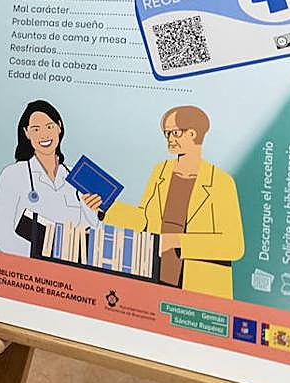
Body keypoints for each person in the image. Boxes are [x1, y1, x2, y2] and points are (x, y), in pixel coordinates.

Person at [103, 106, 243, 296]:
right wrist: (105, 208)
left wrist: (177, 241)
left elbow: (233, 245)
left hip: (200, 288)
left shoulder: (220, 182)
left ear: (193, 133)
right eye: (166, 133)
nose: (169, 139)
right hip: (155, 278)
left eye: (175, 132)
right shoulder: (161, 170)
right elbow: (144, 220)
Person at [0, 100, 102, 256]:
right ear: (26, 133)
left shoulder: (77, 177)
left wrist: (92, 212)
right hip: (31, 268)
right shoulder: (14, 174)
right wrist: (35, 259)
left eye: (49, 126)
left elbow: (92, 234)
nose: (44, 134)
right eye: (36, 129)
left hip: (72, 268)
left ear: (59, 127)